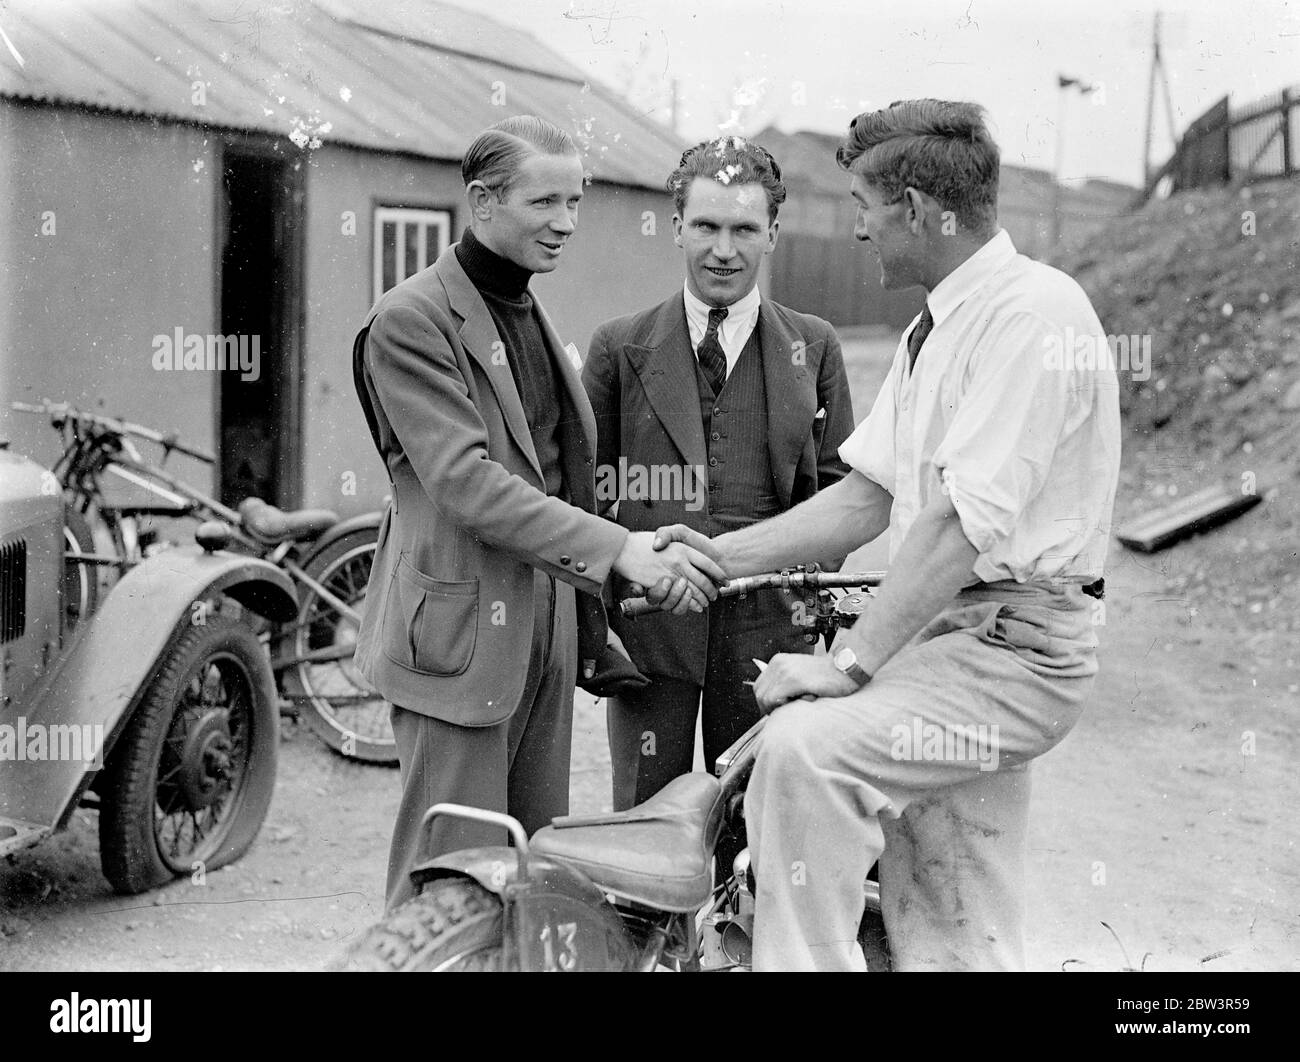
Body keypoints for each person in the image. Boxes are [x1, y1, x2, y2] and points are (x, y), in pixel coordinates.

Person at [654, 99, 1121, 970]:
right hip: (954, 643)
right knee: (953, 909)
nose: (859, 229)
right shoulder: (936, 324)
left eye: (864, 206)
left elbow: (956, 527)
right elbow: (868, 498)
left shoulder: (1032, 317)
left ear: (911, 209)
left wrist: (846, 666)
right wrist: (720, 558)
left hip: (1015, 651)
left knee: (803, 754)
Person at [351, 115, 726, 911]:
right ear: (482, 202)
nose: (565, 223)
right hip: (456, 635)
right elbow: (467, 483)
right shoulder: (410, 320)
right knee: (452, 879)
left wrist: (628, 544)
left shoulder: (525, 309)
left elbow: (557, 470)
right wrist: (615, 546)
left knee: (526, 870)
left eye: (576, 202)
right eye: (544, 202)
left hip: (543, 620)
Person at [582, 136, 855, 819]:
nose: (723, 249)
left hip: (772, 637)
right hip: (653, 633)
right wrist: (630, 585)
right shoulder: (619, 347)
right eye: (706, 226)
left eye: (743, 229)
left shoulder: (814, 346)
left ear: (772, 234)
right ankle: (651, 932)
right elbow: (591, 491)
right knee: (647, 827)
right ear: (677, 227)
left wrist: (800, 597)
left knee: (756, 824)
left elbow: (841, 490)